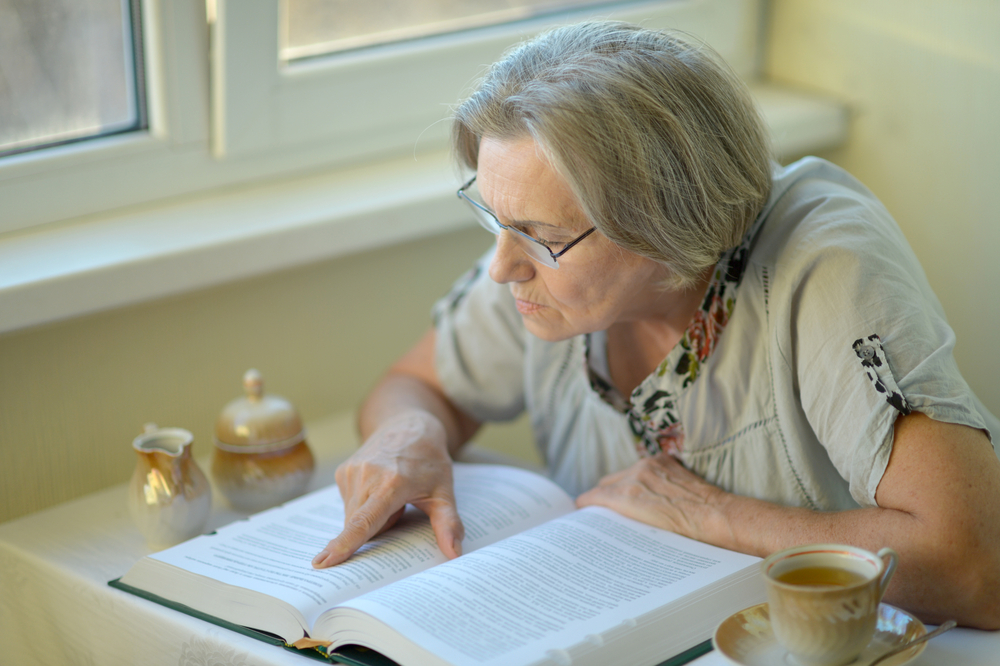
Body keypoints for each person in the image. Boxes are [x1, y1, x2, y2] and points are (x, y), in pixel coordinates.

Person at [311, 21, 1000, 628]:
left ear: (662, 226)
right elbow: (413, 384)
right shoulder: (543, 272)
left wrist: (713, 517)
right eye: (495, 219)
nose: (501, 268)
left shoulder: (823, 265)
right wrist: (411, 431)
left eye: (538, 235)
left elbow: (979, 567)